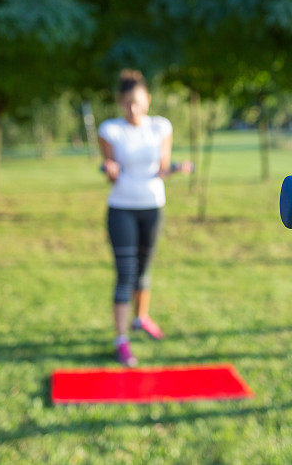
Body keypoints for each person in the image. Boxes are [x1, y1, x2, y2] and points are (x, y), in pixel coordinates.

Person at [98, 69, 191, 367]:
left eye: (138, 102)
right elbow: (110, 168)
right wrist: (109, 169)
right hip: (122, 207)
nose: (133, 109)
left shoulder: (161, 127)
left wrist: (177, 168)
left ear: (148, 100)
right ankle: (121, 340)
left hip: (153, 205)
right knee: (126, 275)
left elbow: (162, 167)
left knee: (144, 270)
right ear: (120, 102)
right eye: (127, 103)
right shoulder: (109, 129)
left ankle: (141, 318)